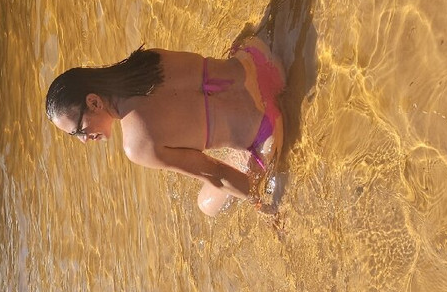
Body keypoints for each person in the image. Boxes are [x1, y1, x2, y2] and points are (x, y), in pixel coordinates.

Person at [45, 36, 287, 215]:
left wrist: (265, 206)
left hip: (267, 127)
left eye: (78, 130)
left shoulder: (137, 146)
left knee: (206, 205)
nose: (83, 140)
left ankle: (247, 154)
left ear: (94, 101)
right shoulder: (147, 60)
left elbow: (217, 175)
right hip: (260, 59)